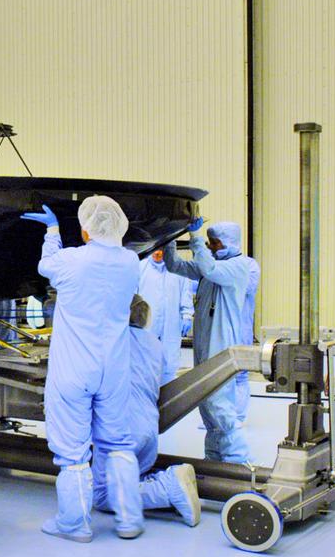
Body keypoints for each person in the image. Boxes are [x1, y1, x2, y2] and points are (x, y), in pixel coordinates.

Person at [24, 195, 141, 542]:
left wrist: (53, 230)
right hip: (115, 366)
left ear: (86, 230)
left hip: (75, 366)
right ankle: (129, 520)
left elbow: (46, 266)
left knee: (73, 451)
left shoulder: (72, 261)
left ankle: (75, 524)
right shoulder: (131, 262)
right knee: (118, 443)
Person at [91, 295, 201, 526]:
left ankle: (168, 486)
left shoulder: (111, 342)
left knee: (101, 496)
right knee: (131, 479)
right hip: (149, 429)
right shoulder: (154, 343)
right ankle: (165, 485)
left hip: (121, 432)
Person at [162, 219, 253, 463]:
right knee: (206, 402)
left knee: (218, 401)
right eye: (210, 243)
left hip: (222, 341)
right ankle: (214, 462)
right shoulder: (210, 264)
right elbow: (175, 266)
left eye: (215, 243)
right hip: (204, 341)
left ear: (232, 242)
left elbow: (210, 269)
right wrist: (170, 239)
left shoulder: (239, 266)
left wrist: (195, 239)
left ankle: (239, 461)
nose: (211, 246)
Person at [138, 249, 194, 384]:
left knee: (169, 361)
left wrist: (187, 314)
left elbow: (185, 292)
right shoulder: (140, 267)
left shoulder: (178, 268)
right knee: (144, 359)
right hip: (145, 322)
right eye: (155, 250)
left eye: (161, 250)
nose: (158, 253)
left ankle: (167, 397)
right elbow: (132, 296)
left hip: (171, 322)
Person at [236, 254, 261, 422]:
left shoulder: (249, 265)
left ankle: (237, 416)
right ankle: (215, 416)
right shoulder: (213, 265)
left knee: (240, 374)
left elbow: (248, 287)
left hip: (241, 329)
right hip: (218, 330)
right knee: (214, 375)